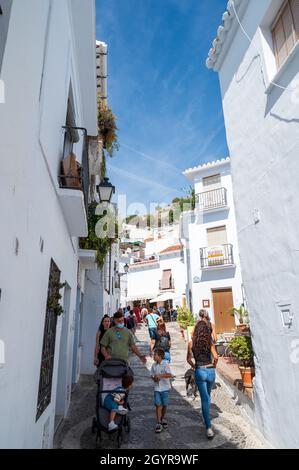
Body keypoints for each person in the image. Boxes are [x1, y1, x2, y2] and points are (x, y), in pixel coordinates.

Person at [187, 320, 218, 439]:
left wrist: (194, 366)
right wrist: (214, 366)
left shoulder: (191, 343)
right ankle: (206, 418)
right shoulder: (209, 342)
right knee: (208, 396)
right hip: (210, 371)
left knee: (204, 399)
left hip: (199, 371)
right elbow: (216, 357)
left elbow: (188, 359)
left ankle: (208, 427)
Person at [151, 348, 173, 433]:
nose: (153, 356)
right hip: (157, 388)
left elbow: (169, 374)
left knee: (164, 405)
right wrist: (154, 378)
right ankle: (158, 422)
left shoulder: (165, 364)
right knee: (158, 405)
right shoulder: (153, 365)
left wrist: (160, 376)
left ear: (159, 356)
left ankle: (162, 418)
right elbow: (152, 375)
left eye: (155, 355)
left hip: (165, 388)